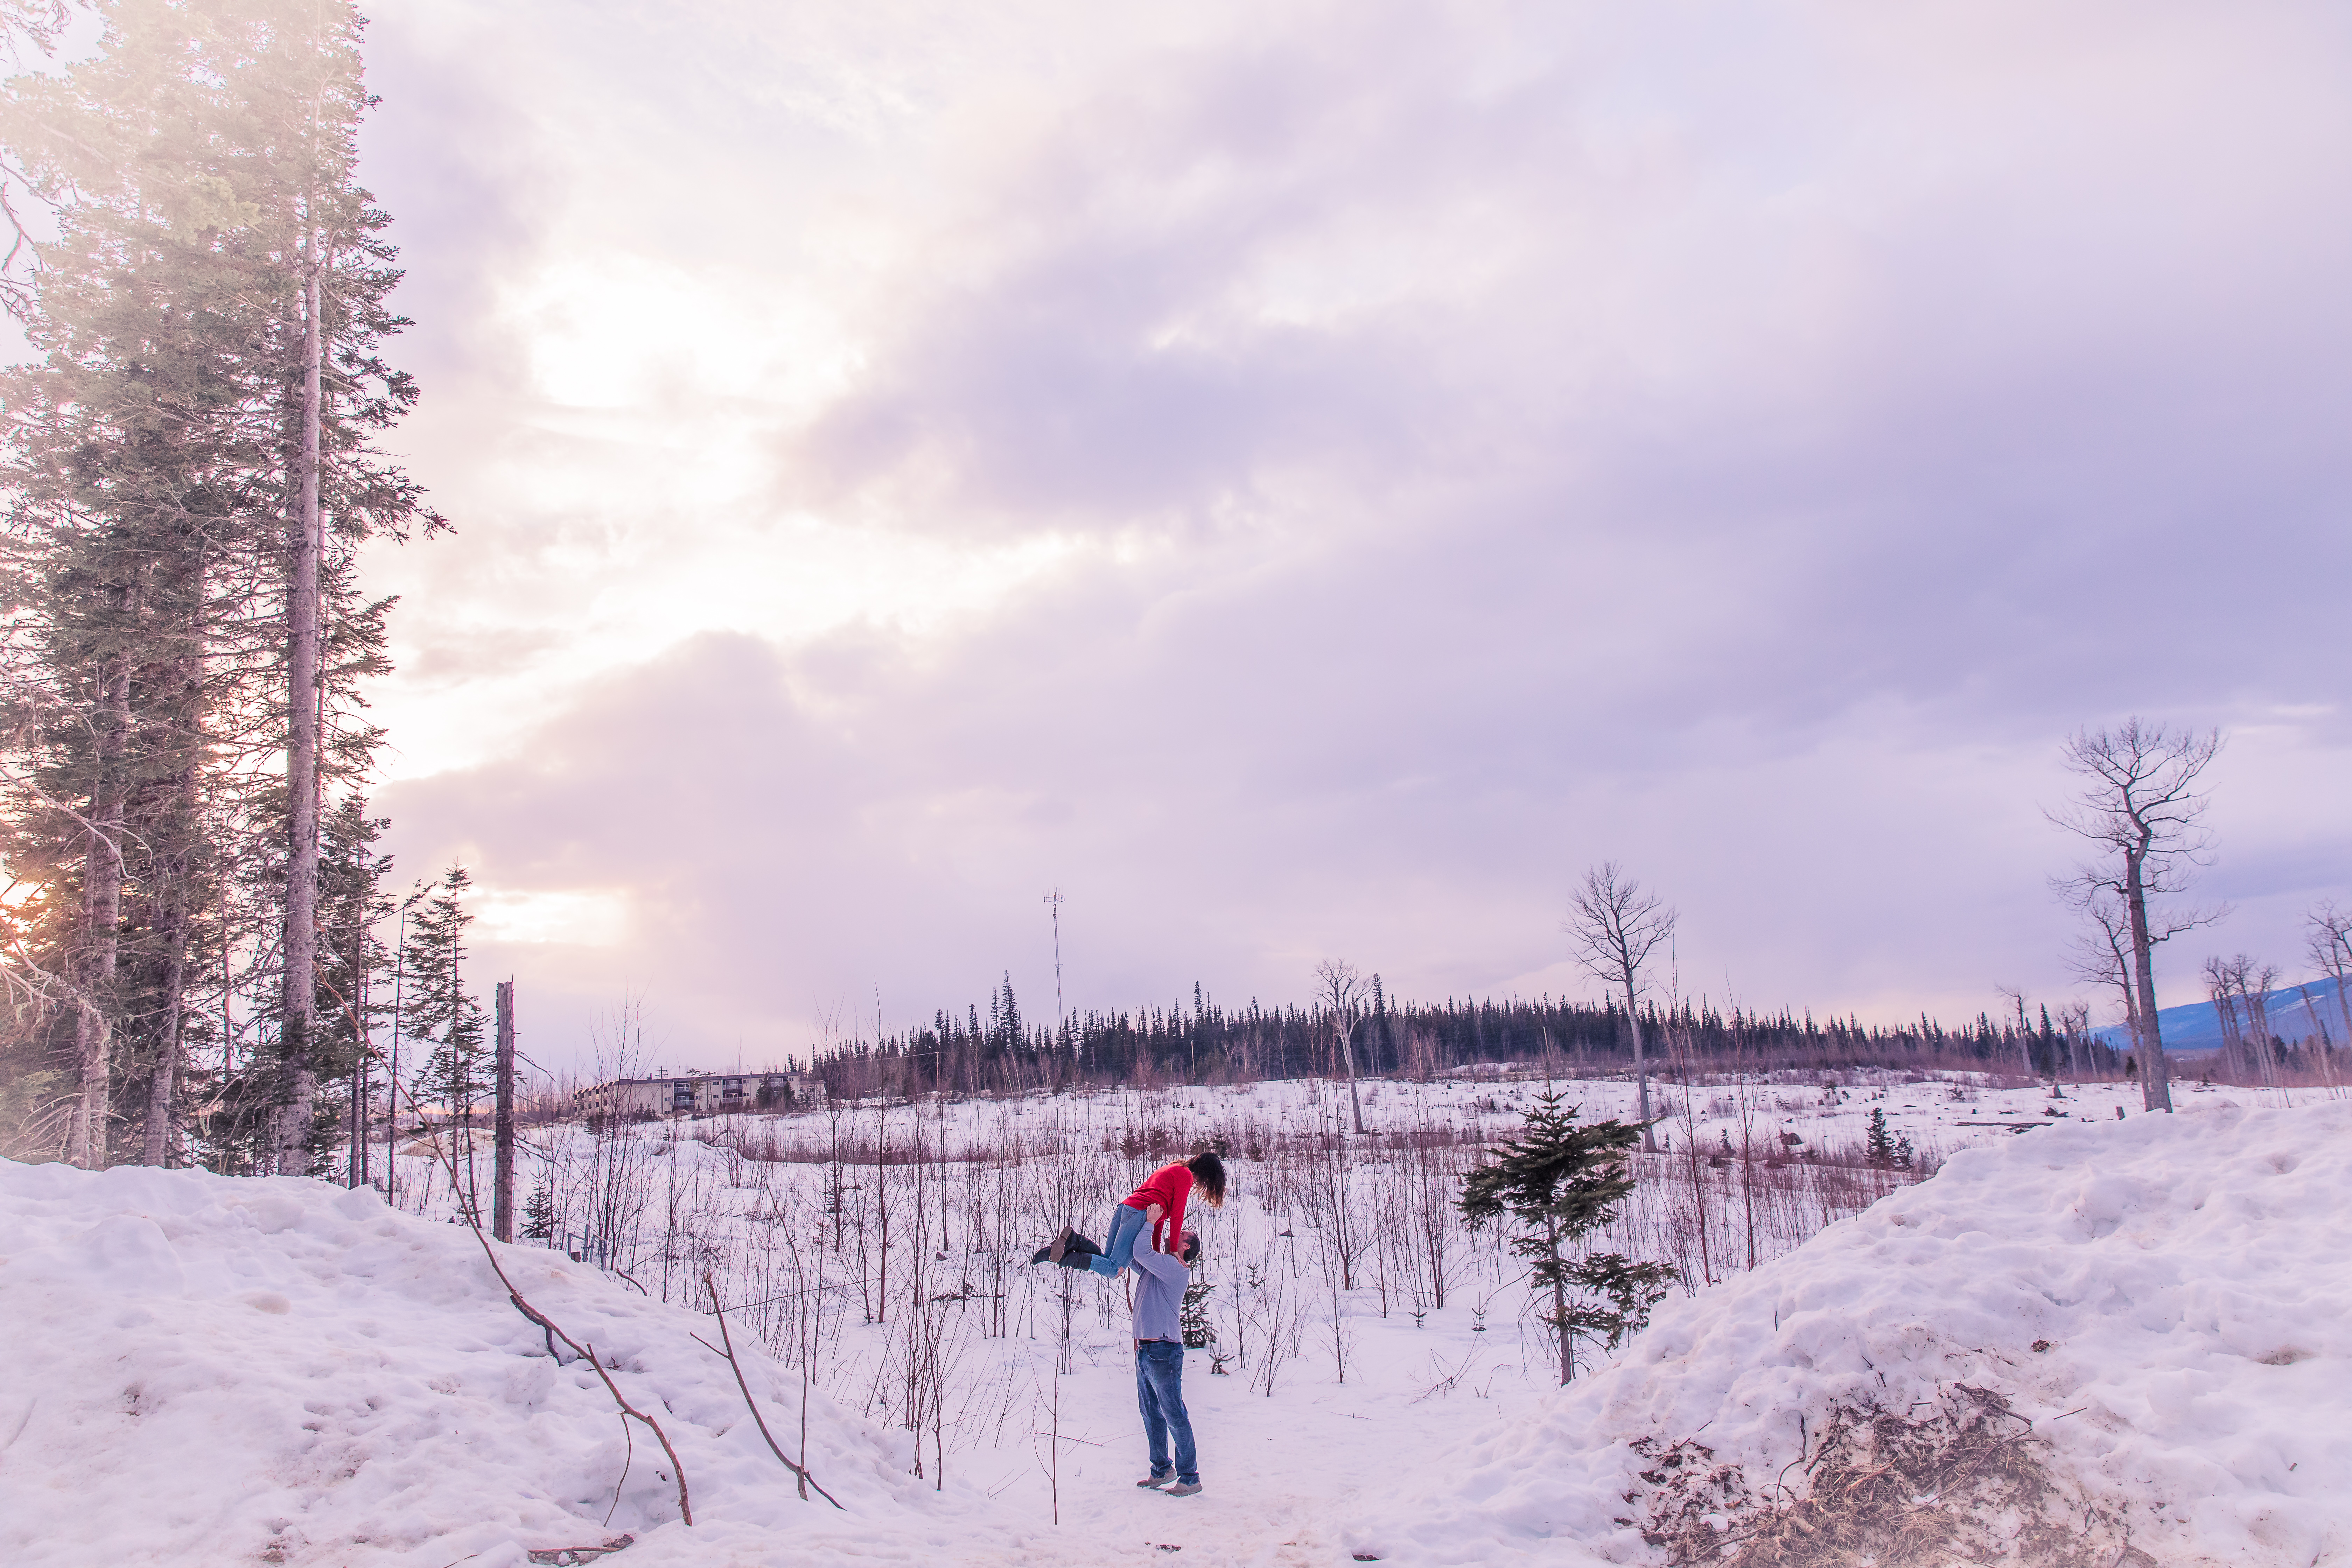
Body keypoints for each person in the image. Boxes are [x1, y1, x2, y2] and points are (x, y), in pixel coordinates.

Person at [1050, 1150, 1225, 1279]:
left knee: (1107, 1260)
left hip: (1125, 1208)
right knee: (1114, 1270)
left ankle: (1073, 1241)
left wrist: (1156, 1249)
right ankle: (1065, 1258)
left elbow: (1159, 1217)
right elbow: (1177, 1215)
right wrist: (1173, 1251)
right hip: (1138, 1214)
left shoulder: (1174, 1167)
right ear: (1206, 1175)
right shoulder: (1185, 1175)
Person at [1127, 1227, 1203, 1496]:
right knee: (1150, 1413)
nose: (1177, 1231)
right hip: (1145, 1349)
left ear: (1185, 1247)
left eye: (1183, 1233)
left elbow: (1140, 1251)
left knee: (1174, 1414)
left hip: (1164, 1350)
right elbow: (1132, 1255)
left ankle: (1190, 1478)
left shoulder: (1175, 1268)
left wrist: (1149, 1222)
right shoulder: (1158, 1268)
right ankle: (1161, 1470)